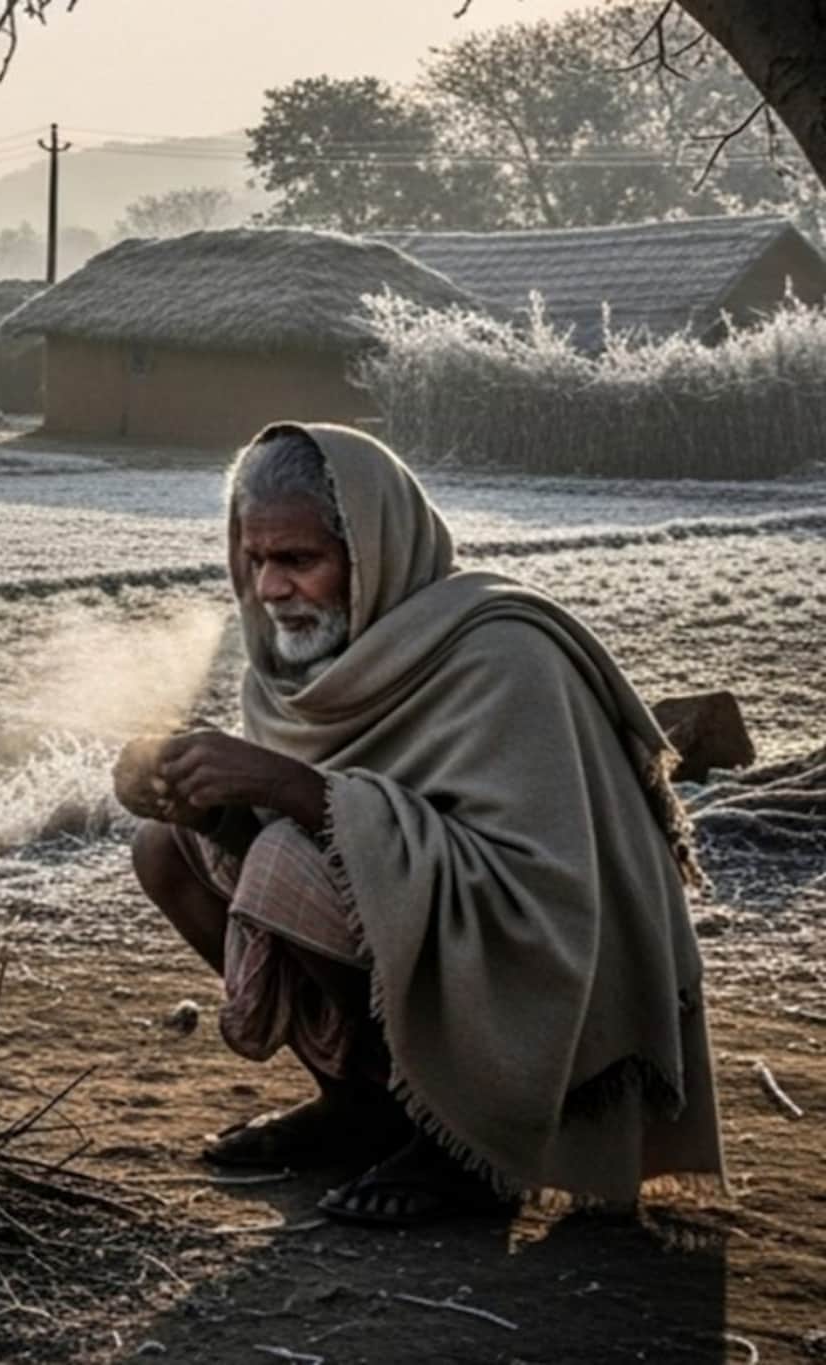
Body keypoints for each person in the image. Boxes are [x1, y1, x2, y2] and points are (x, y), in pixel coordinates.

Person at [120, 422, 725, 1225]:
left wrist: (294, 787)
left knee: (279, 866)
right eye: (255, 558)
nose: (268, 589)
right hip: (420, 922)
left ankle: (460, 1143)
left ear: (371, 551)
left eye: (298, 560)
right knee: (165, 850)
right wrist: (198, 799)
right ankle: (363, 1105)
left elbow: (543, 895)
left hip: (550, 971)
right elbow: (293, 831)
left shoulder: (502, 653)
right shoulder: (293, 666)